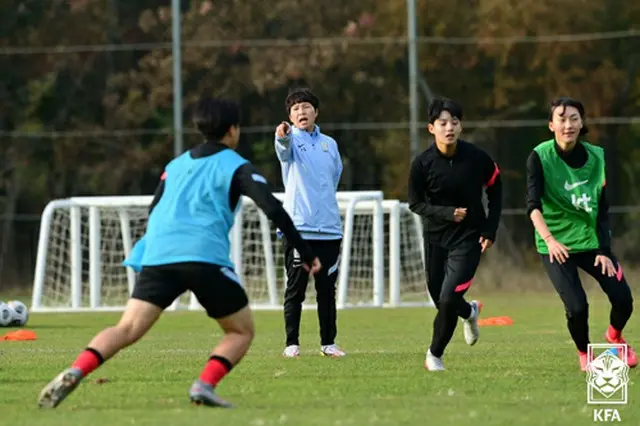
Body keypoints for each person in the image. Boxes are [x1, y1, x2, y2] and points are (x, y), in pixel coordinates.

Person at [38, 96, 322, 409]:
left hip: (159, 255)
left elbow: (154, 208)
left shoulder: (176, 165)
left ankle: (77, 369)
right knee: (240, 331)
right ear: (232, 130)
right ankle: (204, 384)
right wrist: (307, 253)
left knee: (127, 328)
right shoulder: (236, 166)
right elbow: (273, 208)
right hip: (203, 256)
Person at [526, 96, 637, 371]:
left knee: (624, 299)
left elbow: (602, 209)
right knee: (577, 307)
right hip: (555, 243)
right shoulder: (539, 156)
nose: (568, 125)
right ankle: (585, 355)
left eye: (574, 118)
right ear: (551, 125)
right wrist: (550, 240)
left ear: (582, 122)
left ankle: (615, 338)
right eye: (562, 119)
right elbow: (532, 207)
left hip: (590, 241)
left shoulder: (597, 156)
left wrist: (604, 251)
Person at [408, 97, 503, 371]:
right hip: (436, 237)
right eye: (442, 123)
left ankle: (434, 355)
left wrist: (490, 228)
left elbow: (496, 188)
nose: (449, 128)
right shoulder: (422, 164)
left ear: (460, 127)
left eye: (454, 122)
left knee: (448, 299)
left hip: (469, 237)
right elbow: (415, 204)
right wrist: (447, 213)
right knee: (441, 299)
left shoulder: (477, 158)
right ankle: (470, 312)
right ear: (431, 128)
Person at [274, 88, 346, 358]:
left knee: (327, 291)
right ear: (290, 117)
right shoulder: (289, 139)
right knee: (296, 289)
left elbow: (334, 178)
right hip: (298, 229)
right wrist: (282, 136)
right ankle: (291, 343)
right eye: (295, 109)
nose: (301, 112)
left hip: (329, 229)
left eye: (305, 107)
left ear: (316, 111)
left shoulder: (330, 144)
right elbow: (282, 149)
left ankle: (329, 343)